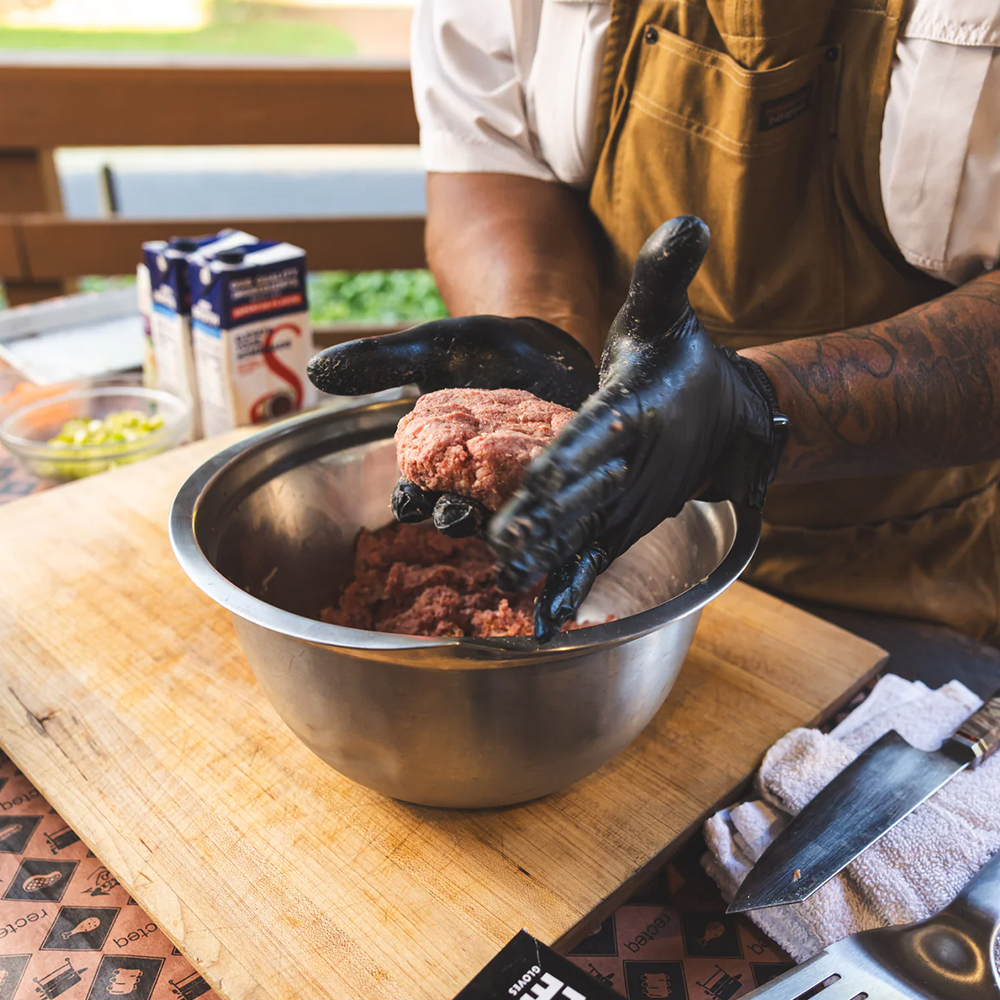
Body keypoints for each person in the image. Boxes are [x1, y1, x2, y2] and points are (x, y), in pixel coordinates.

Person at [309, 0, 1000, 644]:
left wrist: (749, 411)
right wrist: (554, 361)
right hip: (620, 552)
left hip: (922, 574)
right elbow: (493, 157)